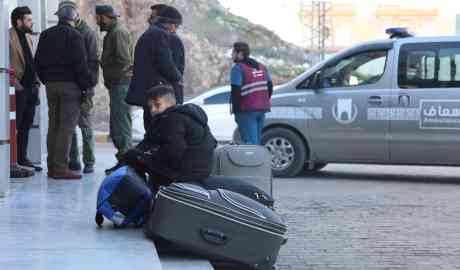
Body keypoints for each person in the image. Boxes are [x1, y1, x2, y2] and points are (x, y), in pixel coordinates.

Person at [35, 4, 91, 179]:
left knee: (53, 126)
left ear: (59, 17)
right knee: (66, 129)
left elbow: (37, 62)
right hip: (70, 87)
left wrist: (47, 80)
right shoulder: (75, 35)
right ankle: (60, 168)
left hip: (51, 86)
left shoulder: (45, 34)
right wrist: (85, 87)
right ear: (73, 18)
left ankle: (52, 166)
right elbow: (81, 65)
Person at [124, 85, 217, 191]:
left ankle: (146, 197)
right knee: (138, 156)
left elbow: (174, 153)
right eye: (150, 107)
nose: (153, 110)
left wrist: (146, 157)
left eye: (157, 105)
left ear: (170, 103)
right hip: (201, 170)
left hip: (186, 172)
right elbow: (149, 141)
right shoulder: (184, 115)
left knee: (137, 158)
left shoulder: (172, 119)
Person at [56, 1, 99, 174]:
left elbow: (93, 62)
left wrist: (89, 86)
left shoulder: (87, 34)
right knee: (70, 126)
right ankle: (74, 161)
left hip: (84, 86)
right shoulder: (67, 32)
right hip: (69, 86)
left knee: (85, 125)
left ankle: (89, 161)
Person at [126, 5, 182, 132]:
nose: (175, 29)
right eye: (176, 26)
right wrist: (178, 78)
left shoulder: (150, 33)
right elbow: (165, 63)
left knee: (151, 129)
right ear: (170, 24)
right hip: (158, 93)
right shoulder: (159, 35)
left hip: (150, 92)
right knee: (158, 130)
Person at [96, 5, 134, 175]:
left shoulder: (118, 32)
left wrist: (113, 74)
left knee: (121, 126)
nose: (97, 21)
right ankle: (123, 161)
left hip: (121, 85)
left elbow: (124, 60)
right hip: (117, 85)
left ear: (104, 17)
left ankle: (126, 164)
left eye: (98, 18)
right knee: (117, 126)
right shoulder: (113, 32)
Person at [9, 6, 42, 173]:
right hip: (18, 89)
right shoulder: (8, 37)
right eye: (28, 19)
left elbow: (31, 61)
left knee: (26, 125)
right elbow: (6, 63)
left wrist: (36, 84)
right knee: (15, 125)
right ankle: (12, 161)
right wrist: (16, 84)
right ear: (18, 21)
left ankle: (22, 158)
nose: (32, 22)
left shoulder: (28, 37)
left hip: (31, 88)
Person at [230, 42, 273, 145]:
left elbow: (236, 91)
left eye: (233, 52)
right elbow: (270, 86)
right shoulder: (262, 67)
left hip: (246, 111)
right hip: (262, 109)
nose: (232, 55)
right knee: (257, 142)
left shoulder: (238, 68)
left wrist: (237, 111)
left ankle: (253, 161)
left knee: (250, 145)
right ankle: (260, 160)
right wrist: (262, 100)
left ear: (240, 54)